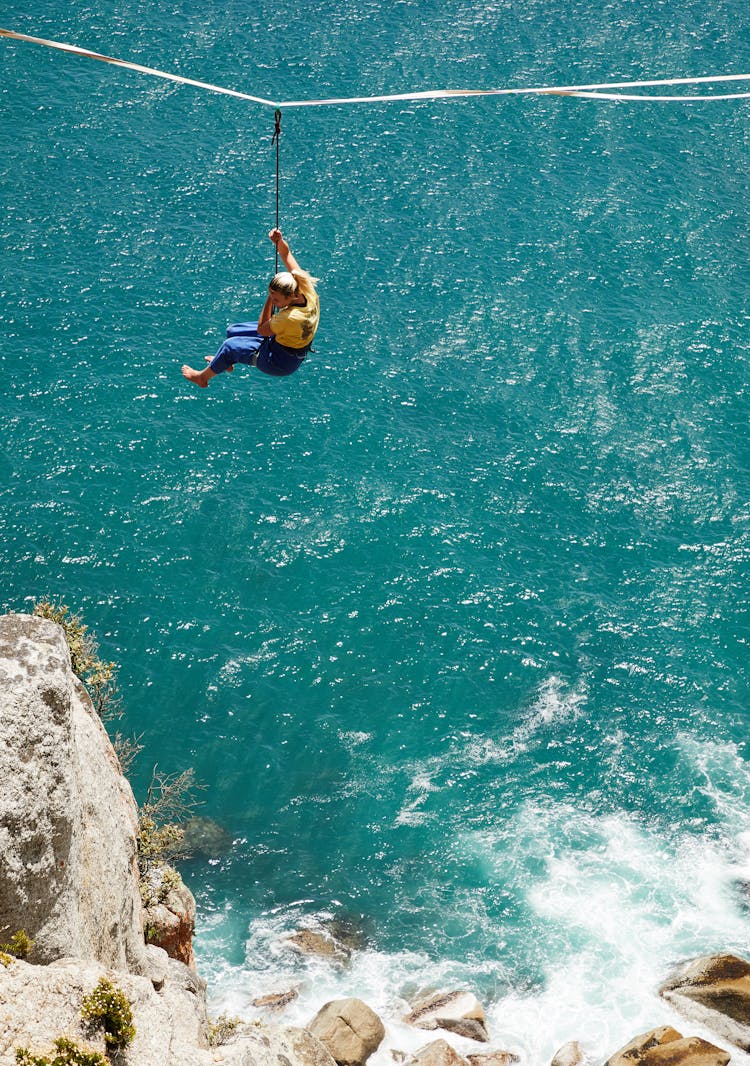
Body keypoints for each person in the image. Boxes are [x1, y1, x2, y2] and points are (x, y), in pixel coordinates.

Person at [181, 228, 319, 388]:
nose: (274, 301)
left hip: (279, 361)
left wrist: (269, 300)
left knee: (229, 346)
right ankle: (223, 361)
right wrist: (279, 241)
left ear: (290, 296)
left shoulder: (290, 317)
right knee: (233, 331)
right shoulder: (305, 288)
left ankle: (202, 378)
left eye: (276, 299)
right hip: (283, 341)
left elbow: (262, 330)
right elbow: (286, 255)